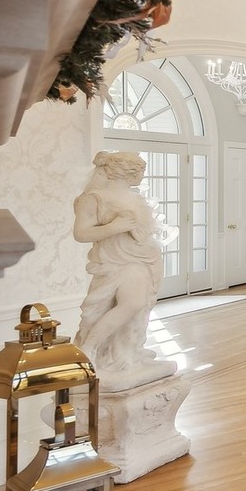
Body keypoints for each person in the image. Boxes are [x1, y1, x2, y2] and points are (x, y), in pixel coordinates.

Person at [73, 151, 166, 383]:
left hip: (144, 259)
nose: (143, 175)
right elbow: (81, 233)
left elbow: (144, 230)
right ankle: (89, 348)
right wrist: (117, 226)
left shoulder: (136, 199)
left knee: (141, 306)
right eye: (141, 170)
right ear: (127, 171)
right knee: (131, 304)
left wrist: (137, 230)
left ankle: (127, 352)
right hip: (117, 262)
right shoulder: (93, 198)